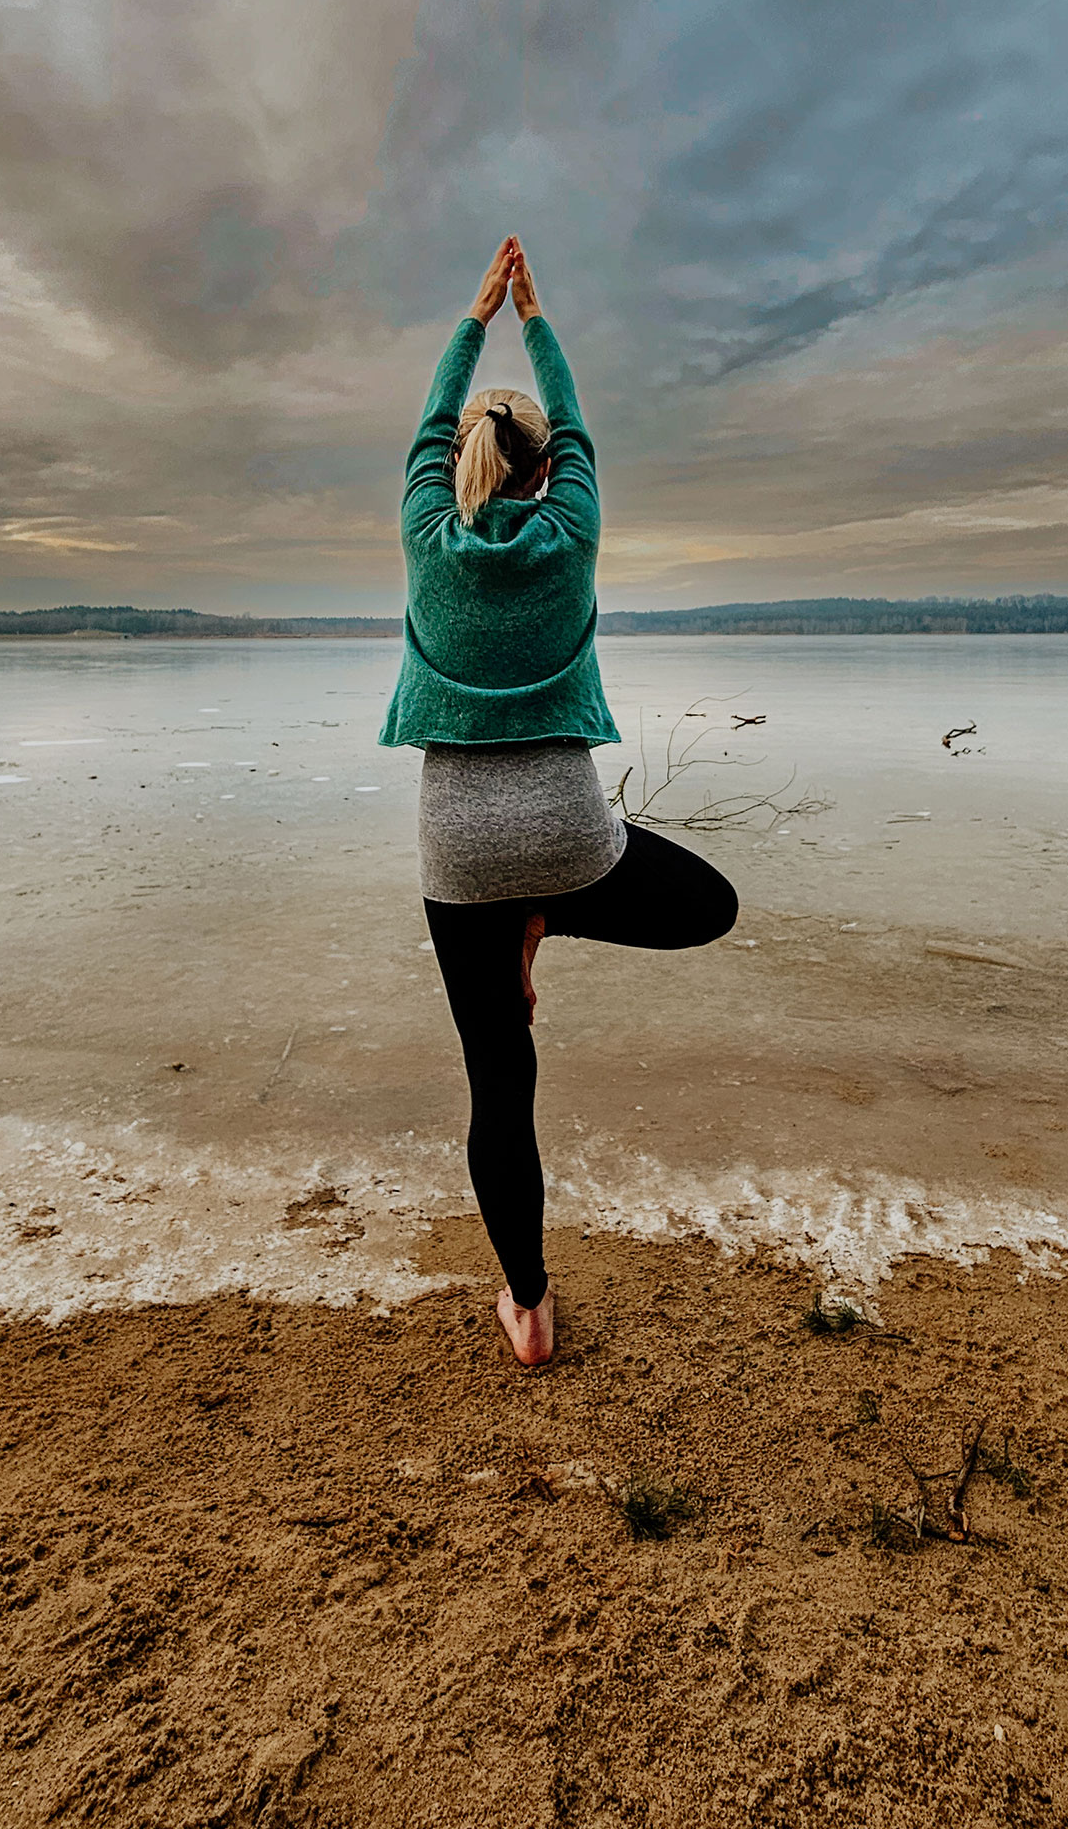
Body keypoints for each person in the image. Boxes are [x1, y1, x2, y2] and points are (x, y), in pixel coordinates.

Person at [380, 237, 739, 1367]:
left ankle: (528, 1309)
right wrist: (531, 316)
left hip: (459, 856)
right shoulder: (571, 534)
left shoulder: (427, 541)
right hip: (573, 838)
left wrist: (472, 314)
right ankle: (552, 912)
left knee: (500, 1078)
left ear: (458, 469)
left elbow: (428, 437)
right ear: (544, 473)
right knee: (708, 902)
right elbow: (577, 428)